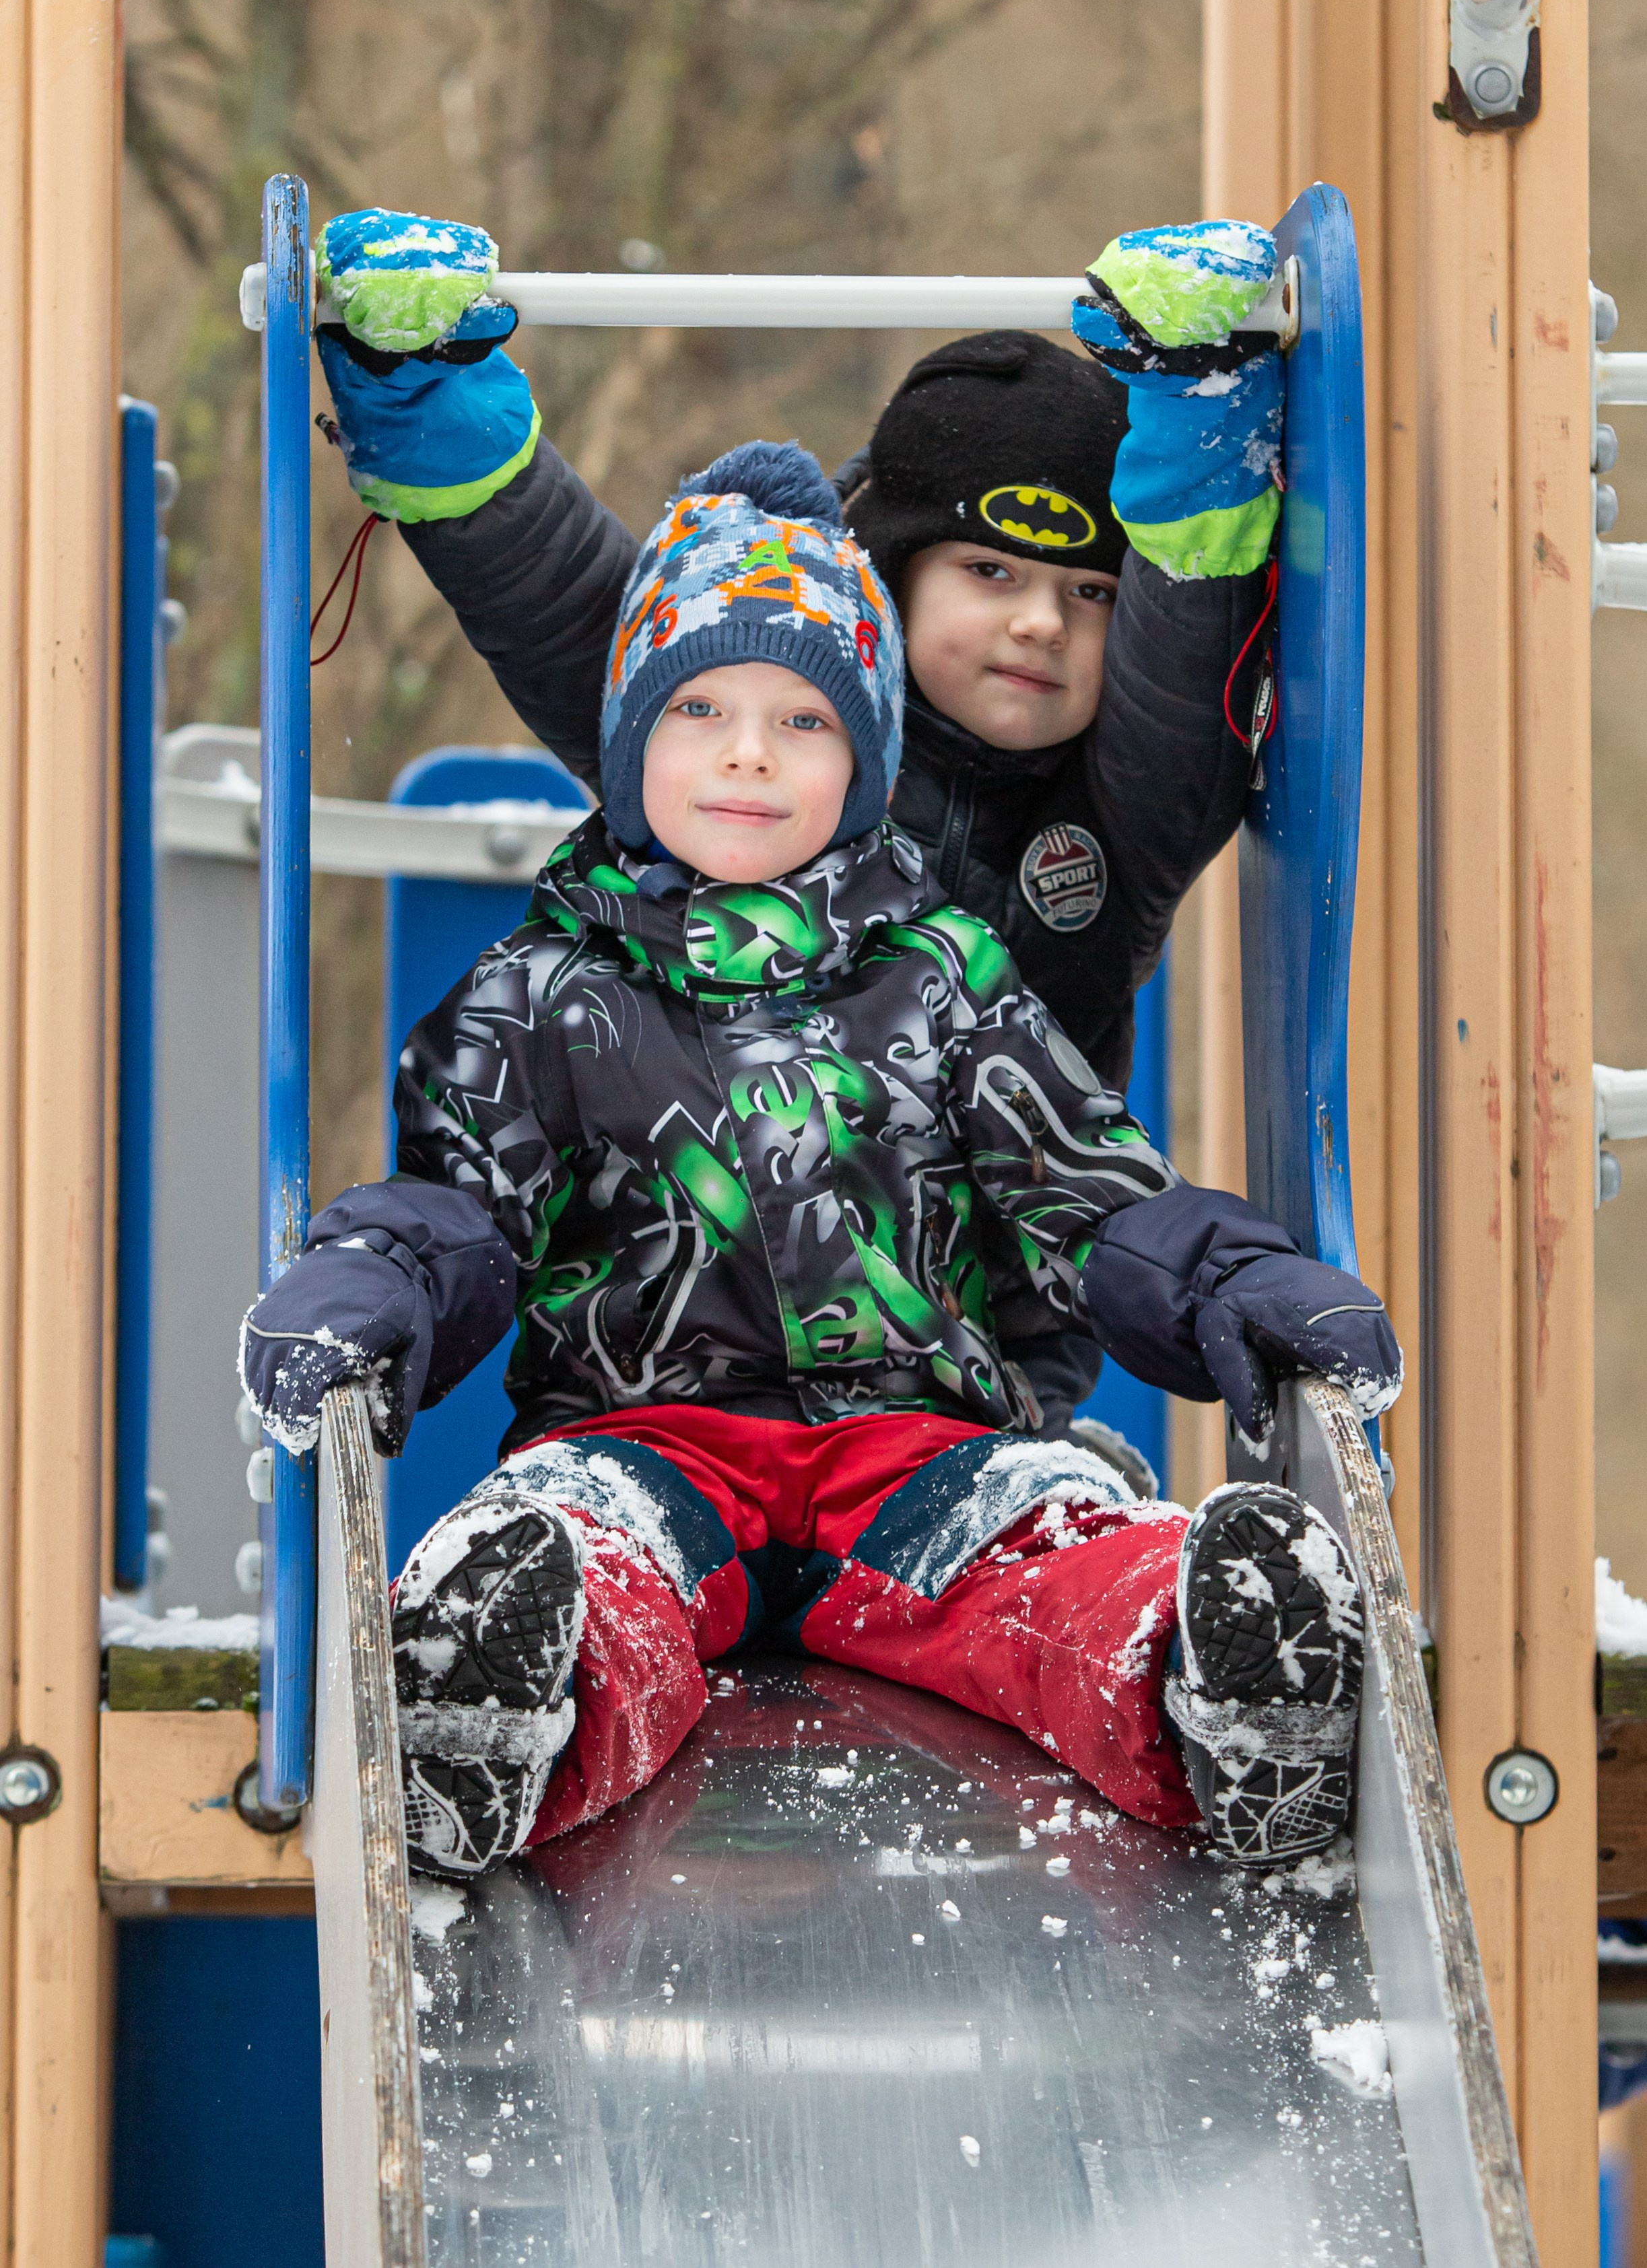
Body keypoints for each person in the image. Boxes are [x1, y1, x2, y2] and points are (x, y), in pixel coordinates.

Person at [238, 441, 1398, 1884]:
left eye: (802, 719)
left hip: (913, 1445)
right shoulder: (540, 991)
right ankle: (493, 1721)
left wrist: (1232, 1279)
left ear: (864, 764)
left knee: (1049, 1545)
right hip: (644, 1435)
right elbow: (464, 1205)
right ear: (629, 741)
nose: (747, 753)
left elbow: (1079, 1191)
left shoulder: (942, 974)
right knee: (578, 1551)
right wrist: (375, 1277)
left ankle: (1213, 1685)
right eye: (699, 709)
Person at [307, 211, 1282, 1441]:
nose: (1040, 622)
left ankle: (1044, 1511)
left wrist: (1201, 421)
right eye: (989, 572)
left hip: (973, 1371)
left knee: (983, 1485)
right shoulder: (762, 735)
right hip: (678, 1366)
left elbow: (1185, 681)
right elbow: (561, 601)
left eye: (1090, 593)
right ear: (891, 573)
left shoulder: (1118, 811)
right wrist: (426, 396)